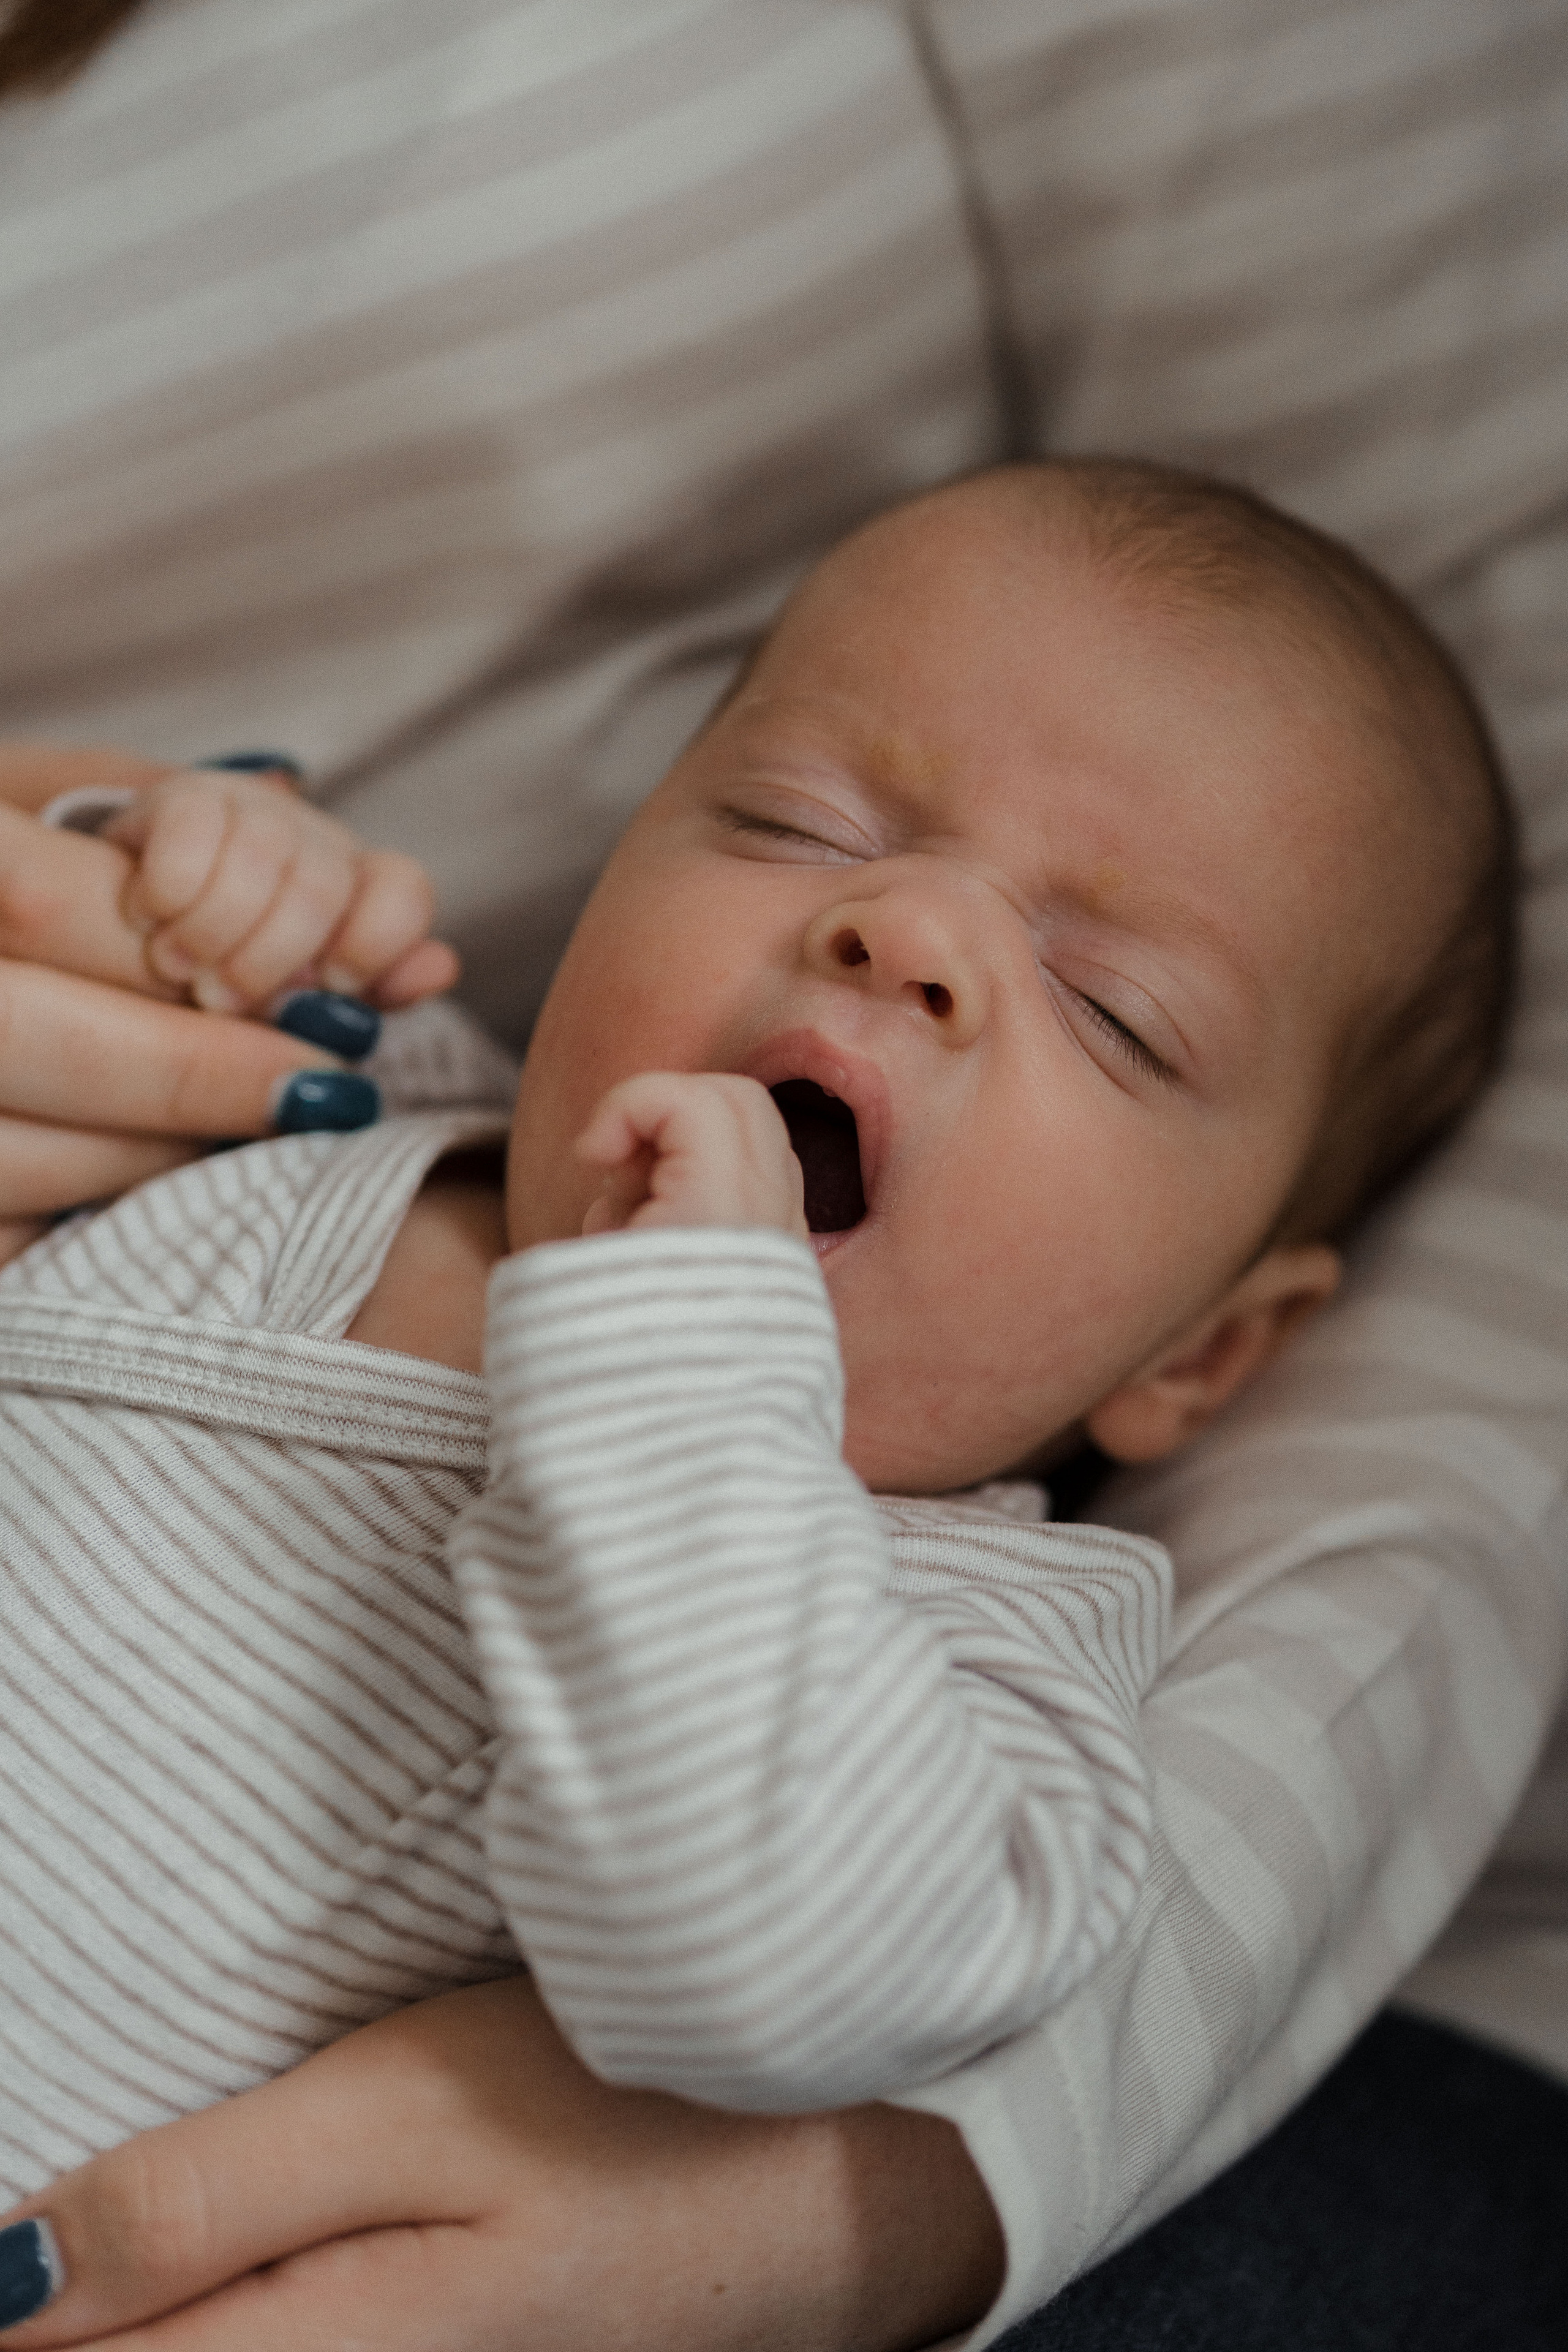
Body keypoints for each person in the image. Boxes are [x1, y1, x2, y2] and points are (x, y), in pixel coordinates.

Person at [0, 5, 1562, 2347]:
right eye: (797, 824)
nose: (907, 932)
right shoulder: (331, 1105)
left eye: (1116, 1013)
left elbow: (757, 1980)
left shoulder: (998, 1665)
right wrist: (168, 869)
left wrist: (682, 1358)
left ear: (1206, 1352)